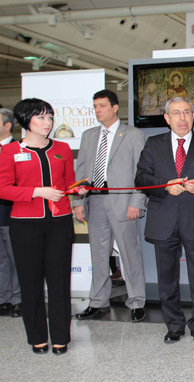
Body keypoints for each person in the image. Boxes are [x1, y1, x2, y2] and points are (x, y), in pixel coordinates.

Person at [0, 98, 87, 355]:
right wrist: (38, 192)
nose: (47, 123)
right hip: (25, 225)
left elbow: (68, 182)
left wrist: (77, 190)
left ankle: (61, 337)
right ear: (26, 120)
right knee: (31, 283)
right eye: (41, 117)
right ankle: (37, 337)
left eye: (50, 117)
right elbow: (4, 188)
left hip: (59, 222)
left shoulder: (60, 148)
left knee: (59, 281)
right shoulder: (8, 151)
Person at [135, 97, 194, 344]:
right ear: (167, 118)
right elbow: (140, 178)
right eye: (176, 113)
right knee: (167, 277)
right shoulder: (153, 144)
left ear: (193, 117)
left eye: (187, 112)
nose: (182, 118)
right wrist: (164, 187)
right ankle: (174, 325)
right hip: (163, 220)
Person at [73, 90, 148, 323]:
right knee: (98, 254)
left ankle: (137, 302)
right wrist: (78, 202)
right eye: (95, 106)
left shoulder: (134, 135)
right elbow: (82, 171)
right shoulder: (88, 136)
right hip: (95, 200)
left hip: (124, 202)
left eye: (102, 105)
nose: (98, 110)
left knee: (130, 254)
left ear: (115, 108)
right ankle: (98, 301)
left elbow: (141, 172)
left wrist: (137, 201)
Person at [0, 108, 21, 318]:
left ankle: (18, 299)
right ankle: (3, 299)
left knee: (16, 258)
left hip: (11, 212)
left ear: (7, 125)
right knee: (0, 260)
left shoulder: (19, 149)